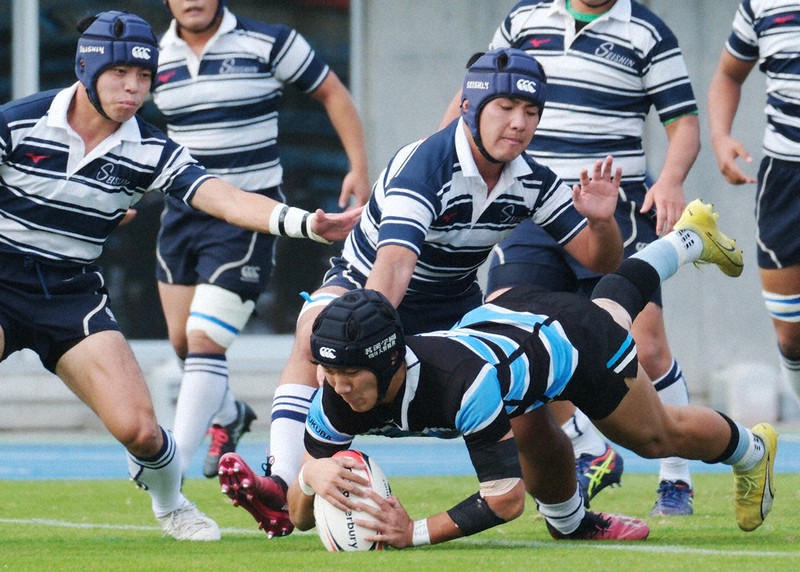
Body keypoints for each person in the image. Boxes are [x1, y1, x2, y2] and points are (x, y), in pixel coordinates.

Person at [217, 47, 624, 537]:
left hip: (453, 305)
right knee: (316, 331)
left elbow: (599, 260)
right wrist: (364, 343)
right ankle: (281, 482)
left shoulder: (532, 179)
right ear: (471, 108)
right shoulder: (426, 166)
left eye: (531, 112)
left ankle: (571, 520)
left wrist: (602, 224)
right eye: (505, 108)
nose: (519, 123)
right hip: (368, 291)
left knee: (531, 422)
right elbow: (392, 270)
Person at [229, 199, 774, 548]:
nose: (338, 386)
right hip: (506, 319)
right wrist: (307, 476)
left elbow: (506, 496)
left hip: (572, 346)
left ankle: (752, 450)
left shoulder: (462, 386)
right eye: (330, 370)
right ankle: (687, 240)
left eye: (350, 372)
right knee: (536, 415)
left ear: (390, 360)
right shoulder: (333, 396)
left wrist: (412, 533)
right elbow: (299, 518)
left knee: (657, 434)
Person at [0, 10, 358, 541]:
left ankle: (171, 505)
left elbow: (223, 197)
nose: (133, 88)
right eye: (120, 74)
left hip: (71, 296)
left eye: (144, 77)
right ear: (87, 69)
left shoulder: (150, 149)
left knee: (142, 433)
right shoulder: (17, 122)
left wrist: (305, 223)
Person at [440, 0, 703, 516]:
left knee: (644, 351)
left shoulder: (647, 31)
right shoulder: (523, 19)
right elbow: (470, 100)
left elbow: (684, 124)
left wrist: (670, 180)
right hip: (530, 213)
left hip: (617, 214)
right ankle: (588, 446)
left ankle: (676, 477)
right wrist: (437, 161)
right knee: (509, 336)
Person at [152, 0, 370, 480]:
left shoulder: (269, 41)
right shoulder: (151, 54)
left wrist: (357, 165)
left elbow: (332, 92)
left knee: (204, 341)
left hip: (252, 214)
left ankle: (171, 472)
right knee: (182, 345)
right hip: (182, 212)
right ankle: (230, 414)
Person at [708, 1, 800, 413]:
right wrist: (721, 137)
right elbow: (728, 75)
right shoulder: (763, 5)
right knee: (790, 335)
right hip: (786, 180)